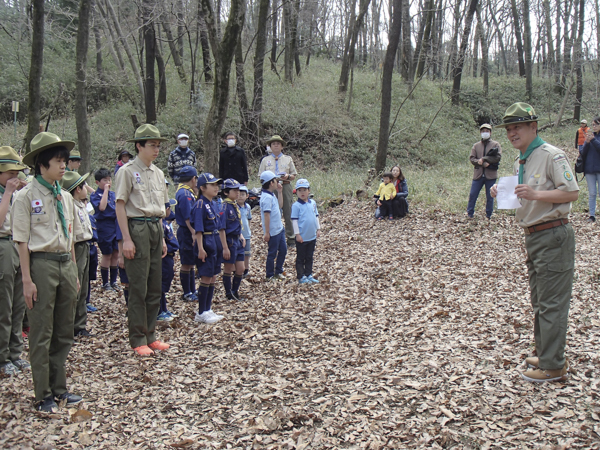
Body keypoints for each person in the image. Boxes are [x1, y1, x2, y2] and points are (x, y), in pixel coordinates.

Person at [491, 102, 578, 383]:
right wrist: (500, 190)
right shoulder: (521, 159)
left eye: (518, 126)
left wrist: (536, 194)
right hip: (534, 236)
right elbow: (523, 195)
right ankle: (544, 352)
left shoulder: (552, 155)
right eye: (508, 128)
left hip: (553, 234)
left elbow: (572, 192)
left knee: (552, 303)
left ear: (533, 126)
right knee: (540, 301)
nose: (512, 133)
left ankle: (553, 365)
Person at [12, 132, 83, 412]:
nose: (63, 166)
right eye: (58, 161)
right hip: (40, 264)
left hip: (65, 263)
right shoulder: (25, 196)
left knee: (64, 329)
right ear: (42, 164)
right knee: (42, 330)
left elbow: (71, 237)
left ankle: (60, 387)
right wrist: (27, 280)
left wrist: (74, 272)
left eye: (65, 161)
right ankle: (43, 393)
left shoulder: (64, 196)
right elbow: (22, 241)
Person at [114, 124, 170, 356]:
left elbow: (159, 209)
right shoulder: (126, 171)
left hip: (155, 228)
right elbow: (119, 205)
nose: (156, 150)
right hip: (136, 228)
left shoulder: (158, 173)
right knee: (138, 285)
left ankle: (151, 334)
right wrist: (126, 239)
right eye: (152, 145)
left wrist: (163, 238)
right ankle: (138, 338)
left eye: (158, 145)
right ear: (139, 146)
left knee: (154, 285)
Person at [0, 146, 29, 376]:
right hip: (3, 245)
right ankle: (3, 356)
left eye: (16, 173)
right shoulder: (5, 193)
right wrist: (8, 193)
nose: (14, 177)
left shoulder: (18, 192)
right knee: (4, 304)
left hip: (18, 243)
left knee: (19, 303)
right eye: (10, 173)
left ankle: (15, 351)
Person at [59, 171, 94, 338]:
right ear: (77, 189)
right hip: (76, 248)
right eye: (83, 186)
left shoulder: (81, 203)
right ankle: (69, 327)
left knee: (84, 287)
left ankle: (80, 325)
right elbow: (71, 236)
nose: (87, 188)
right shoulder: (70, 205)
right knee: (75, 286)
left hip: (85, 246)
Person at [191, 173, 226, 324]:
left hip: (215, 238)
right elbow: (198, 228)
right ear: (203, 188)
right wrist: (200, 248)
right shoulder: (200, 204)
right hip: (205, 240)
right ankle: (201, 311)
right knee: (205, 276)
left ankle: (208, 308)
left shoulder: (213, 203)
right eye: (212, 185)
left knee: (213, 276)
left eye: (216, 184)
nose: (216, 187)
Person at [258, 136, 297, 246]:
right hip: (270, 188)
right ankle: (272, 236)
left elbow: (294, 175)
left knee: (288, 211)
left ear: (282, 146)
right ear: (270, 146)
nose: (276, 145)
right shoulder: (265, 160)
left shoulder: (287, 159)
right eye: (273, 143)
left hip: (285, 186)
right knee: (272, 212)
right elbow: (261, 176)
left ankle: (291, 237)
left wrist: (287, 176)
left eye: (278, 143)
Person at [90, 168, 120, 291]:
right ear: (97, 182)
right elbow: (102, 208)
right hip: (104, 226)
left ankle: (113, 281)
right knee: (107, 254)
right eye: (105, 180)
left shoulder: (113, 194)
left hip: (115, 224)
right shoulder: (95, 195)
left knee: (116, 253)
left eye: (109, 179)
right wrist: (106, 191)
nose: (108, 182)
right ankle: (105, 282)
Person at [467, 124, 502, 219]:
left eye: (487, 131)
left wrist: (485, 159)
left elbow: (498, 157)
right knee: (473, 194)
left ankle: (489, 215)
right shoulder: (476, 146)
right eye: (483, 131)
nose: (485, 133)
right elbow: (472, 159)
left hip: (491, 174)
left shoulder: (495, 144)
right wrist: (481, 163)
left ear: (490, 132)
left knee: (490, 196)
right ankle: (469, 214)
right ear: (480, 133)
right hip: (478, 174)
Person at [174, 166, 199, 302]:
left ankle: (192, 289)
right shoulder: (184, 194)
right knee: (186, 262)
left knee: (190, 262)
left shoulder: (188, 192)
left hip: (189, 230)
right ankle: (187, 291)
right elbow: (187, 216)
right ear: (193, 178)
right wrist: (193, 232)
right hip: (186, 231)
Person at [291, 178, 320, 284]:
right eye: (300, 190)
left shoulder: (312, 203)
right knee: (301, 257)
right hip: (302, 237)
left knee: (309, 256)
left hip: (312, 236)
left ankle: (309, 274)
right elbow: (294, 221)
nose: (302, 193)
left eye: (304, 190)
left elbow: (316, 216)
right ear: (296, 192)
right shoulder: (296, 206)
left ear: (309, 190)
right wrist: (297, 234)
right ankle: (301, 276)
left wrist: (318, 228)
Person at [221, 178, 246, 301]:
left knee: (240, 268)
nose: (237, 192)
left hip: (237, 239)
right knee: (229, 268)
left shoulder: (235, 205)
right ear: (226, 192)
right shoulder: (224, 207)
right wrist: (225, 247)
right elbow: (222, 229)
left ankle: (235, 291)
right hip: (229, 240)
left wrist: (241, 236)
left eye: (238, 190)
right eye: (234, 190)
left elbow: (237, 224)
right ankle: (228, 293)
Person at [259, 170, 287, 280]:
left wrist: (280, 192)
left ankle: (278, 270)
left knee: (283, 250)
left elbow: (280, 206)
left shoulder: (271, 195)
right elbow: (266, 215)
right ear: (271, 183)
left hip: (279, 229)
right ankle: (269, 275)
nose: (277, 182)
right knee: (272, 253)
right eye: (276, 180)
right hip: (272, 232)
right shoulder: (266, 198)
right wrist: (267, 232)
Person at [159, 201, 179, 322]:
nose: (170, 211)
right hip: (163, 257)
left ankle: (164, 309)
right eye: (168, 208)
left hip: (169, 256)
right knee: (160, 285)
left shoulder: (165, 223)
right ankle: (160, 311)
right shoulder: (159, 224)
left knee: (165, 283)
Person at [580, 118, 600, 223]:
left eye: (596, 124)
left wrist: (593, 140)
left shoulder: (594, 138)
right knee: (592, 193)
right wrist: (587, 143)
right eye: (593, 124)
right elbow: (583, 152)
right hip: (589, 169)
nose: (594, 126)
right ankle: (592, 215)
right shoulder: (590, 136)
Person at [237, 186, 252, 278]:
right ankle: (237, 270)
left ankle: (246, 269)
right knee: (238, 253)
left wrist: (249, 230)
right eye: (239, 194)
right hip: (237, 234)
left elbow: (249, 219)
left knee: (247, 253)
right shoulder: (234, 207)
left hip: (246, 234)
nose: (240, 197)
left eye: (243, 194)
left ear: (247, 196)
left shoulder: (248, 207)